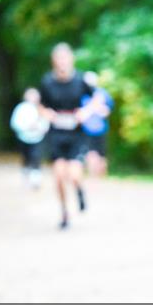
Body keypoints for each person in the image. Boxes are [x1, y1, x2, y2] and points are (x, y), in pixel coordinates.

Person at [38, 43, 96, 230]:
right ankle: (64, 212)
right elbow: (41, 106)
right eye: (58, 59)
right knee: (58, 175)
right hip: (56, 133)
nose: (62, 62)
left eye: (65, 58)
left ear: (71, 59)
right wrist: (48, 115)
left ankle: (79, 190)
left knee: (74, 174)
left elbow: (97, 99)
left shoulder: (81, 80)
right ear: (53, 61)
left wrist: (85, 112)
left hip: (76, 133)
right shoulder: (47, 82)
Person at [9, 87, 49, 189]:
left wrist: (40, 128)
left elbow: (46, 122)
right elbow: (15, 123)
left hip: (38, 138)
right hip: (23, 137)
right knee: (26, 158)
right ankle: (26, 176)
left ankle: (35, 180)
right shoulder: (21, 108)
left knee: (36, 157)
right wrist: (26, 127)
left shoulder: (41, 108)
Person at [81, 71, 113, 178]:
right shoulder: (81, 94)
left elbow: (108, 110)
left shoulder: (102, 93)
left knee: (101, 154)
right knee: (90, 153)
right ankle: (92, 176)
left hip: (101, 128)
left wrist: (97, 109)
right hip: (86, 129)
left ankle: (102, 176)